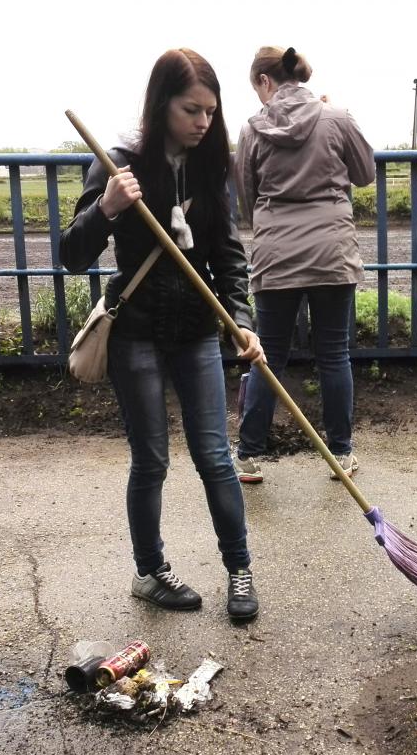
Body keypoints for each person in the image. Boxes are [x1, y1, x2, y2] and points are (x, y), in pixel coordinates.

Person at [59, 48, 264, 620]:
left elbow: (226, 254)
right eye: (190, 110)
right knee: (150, 461)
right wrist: (106, 207)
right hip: (138, 333)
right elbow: (72, 255)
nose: (202, 122)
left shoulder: (208, 166)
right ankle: (150, 573)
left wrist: (242, 324)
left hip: (198, 332)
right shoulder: (117, 162)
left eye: (209, 111)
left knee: (216, 458)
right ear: (161, 104)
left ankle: (239, 571)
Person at [232, 46, 375, 484]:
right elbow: (365, 173)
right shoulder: (336, 118)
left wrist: (275, 228)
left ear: (263, 81)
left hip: (276, 254)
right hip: (332, 251)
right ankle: (342, 455)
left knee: (268, 356)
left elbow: (246, 198)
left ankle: (249, 456)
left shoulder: (253, 129)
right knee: (333, 354)